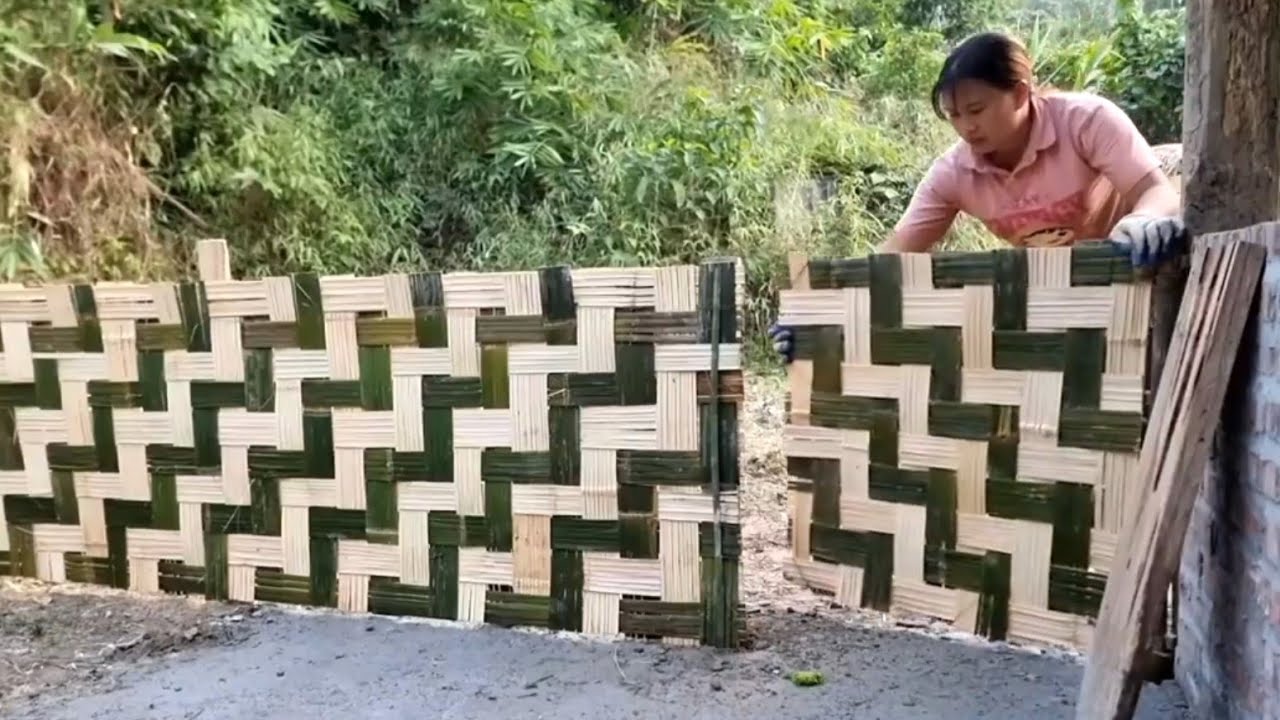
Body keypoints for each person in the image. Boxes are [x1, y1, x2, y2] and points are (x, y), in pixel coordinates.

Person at [768, 30, 1187, 363]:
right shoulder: (953, 172)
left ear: (1021, 94)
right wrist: (818, 316)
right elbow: (891, 257)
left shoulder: (1087, 122)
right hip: (1053, 297)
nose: (966, 127)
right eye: (953, 115)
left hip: (1132, 280)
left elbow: (1156, 192)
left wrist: (1142, 223)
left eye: (977, 110)